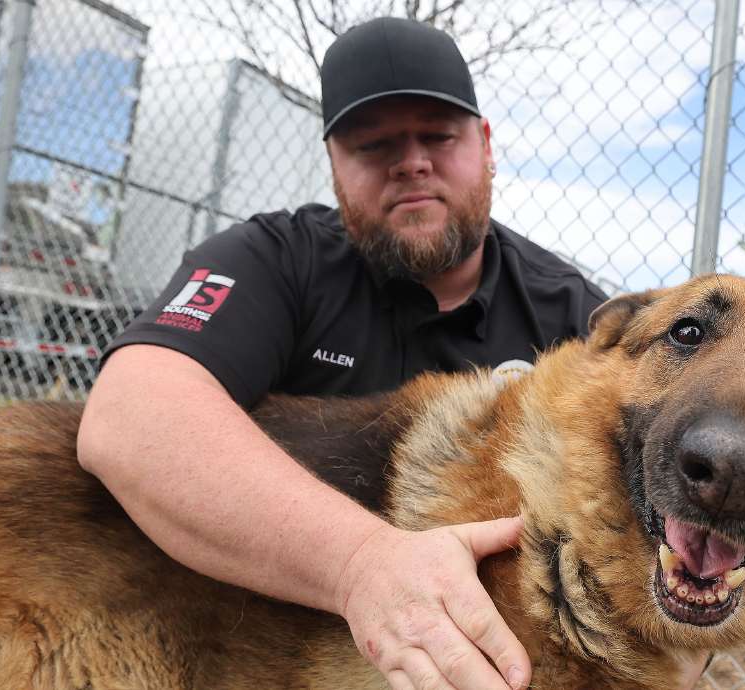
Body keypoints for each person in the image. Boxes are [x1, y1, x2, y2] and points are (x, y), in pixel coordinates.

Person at [78, 17, 607, 690]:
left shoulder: (574, 318)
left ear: (486, 144)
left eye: (439, 136)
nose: (411, 161)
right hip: (246, 651)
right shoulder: (276, 260)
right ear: (333, 164)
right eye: (373, 143)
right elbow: (128, 416)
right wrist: (363, 565)